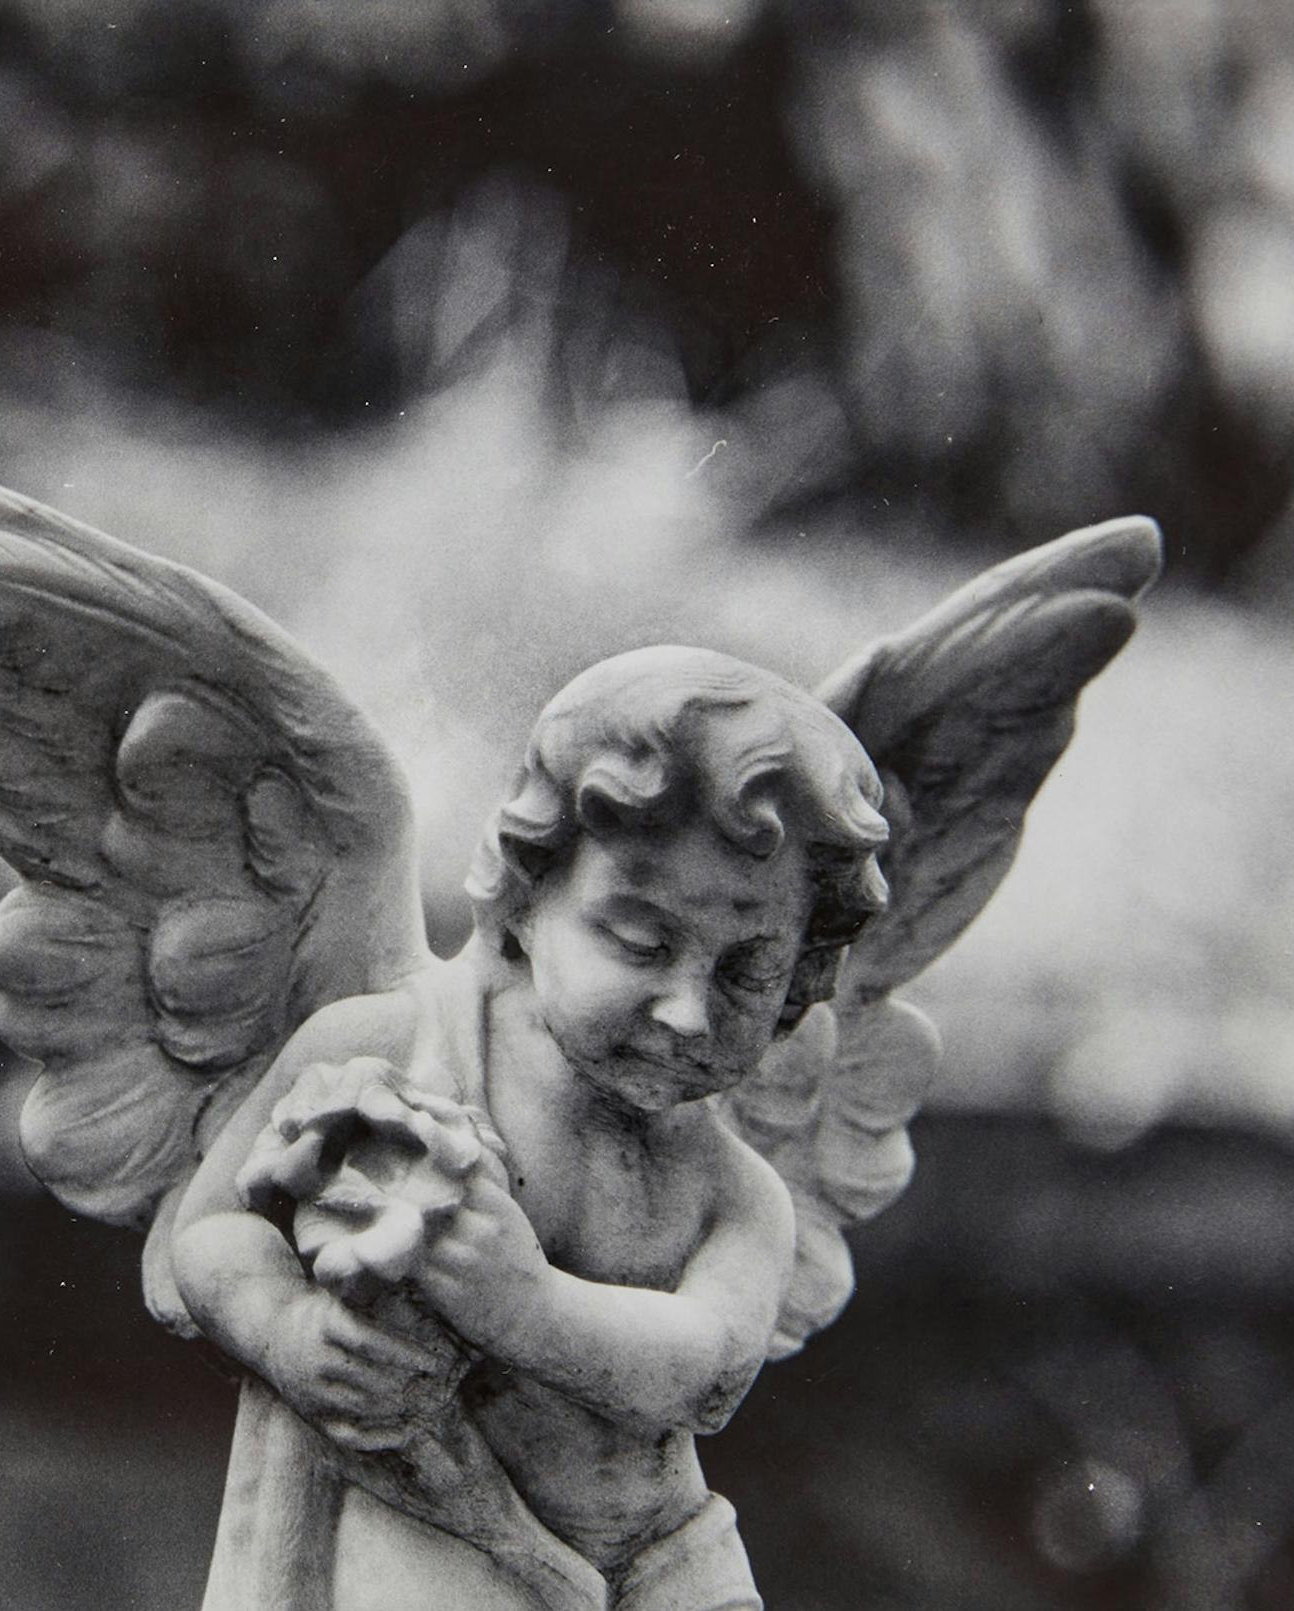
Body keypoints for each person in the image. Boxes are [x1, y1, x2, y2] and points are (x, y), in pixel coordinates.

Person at [171, 646, 892, 1611]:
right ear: (527, 889)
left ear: (803, 978)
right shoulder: (386, 1046)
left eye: (747, 972)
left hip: (655, 1556)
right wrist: (288, 1330)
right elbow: (213, 1228)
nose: (687, 1009)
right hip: (425, 1517)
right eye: (640, 941)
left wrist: (526, 1306)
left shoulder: (734, 1190)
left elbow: (709, 1369)